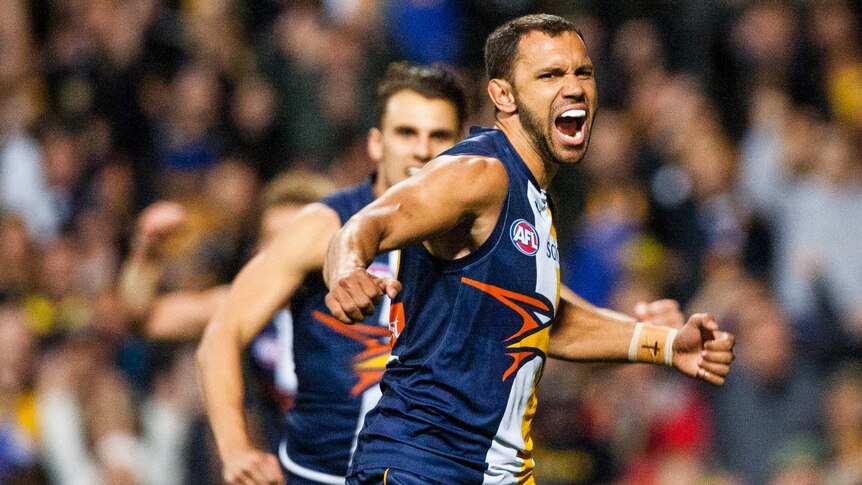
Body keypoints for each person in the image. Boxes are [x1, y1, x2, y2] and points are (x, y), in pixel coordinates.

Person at [323, 14, 736, 485]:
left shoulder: (535, 198)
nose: (575, 87)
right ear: (503, 95)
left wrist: (664, 344)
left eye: (583, 72)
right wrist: (347, 270)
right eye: (550, 75)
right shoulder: (479, 172)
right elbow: (364, 225)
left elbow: (547, 321)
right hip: (425, 465)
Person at [196, 62, 470, 485]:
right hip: (316, 476)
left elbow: (550, 315)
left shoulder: (480, 239)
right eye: (406, 133)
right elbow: (222, 334)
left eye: (439, 136)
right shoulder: (323, 226)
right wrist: (235, 451)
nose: (422, 149)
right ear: (376, 144)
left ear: (462, 146)